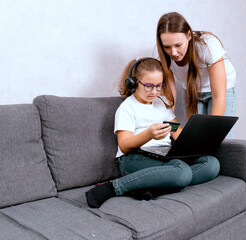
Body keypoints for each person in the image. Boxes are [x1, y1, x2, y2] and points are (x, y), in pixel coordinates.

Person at [85, 57, 220, 208]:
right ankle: (114, 187)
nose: (154, 92)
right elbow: (124, 145)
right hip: (133, 159)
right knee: (182, 172)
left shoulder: (161, 105)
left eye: (159, 86)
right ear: (134, 83)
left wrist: (196, 139)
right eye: (149, 86)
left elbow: (177, 132)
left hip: (163, 155)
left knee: (211, 164)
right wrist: (148, 134)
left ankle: (150, 186)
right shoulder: (128, 108)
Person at [156, 12, 237, 138]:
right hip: (191, 91)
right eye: (167, 47)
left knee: (218, 140)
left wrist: (211, 138)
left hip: (219, 93)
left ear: (189, 35)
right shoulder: (165, 57)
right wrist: (176, 134)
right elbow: (169, 107)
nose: (173, 52)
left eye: (178, 45)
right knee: (195, 140)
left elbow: (219, 98)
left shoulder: (208, 45)